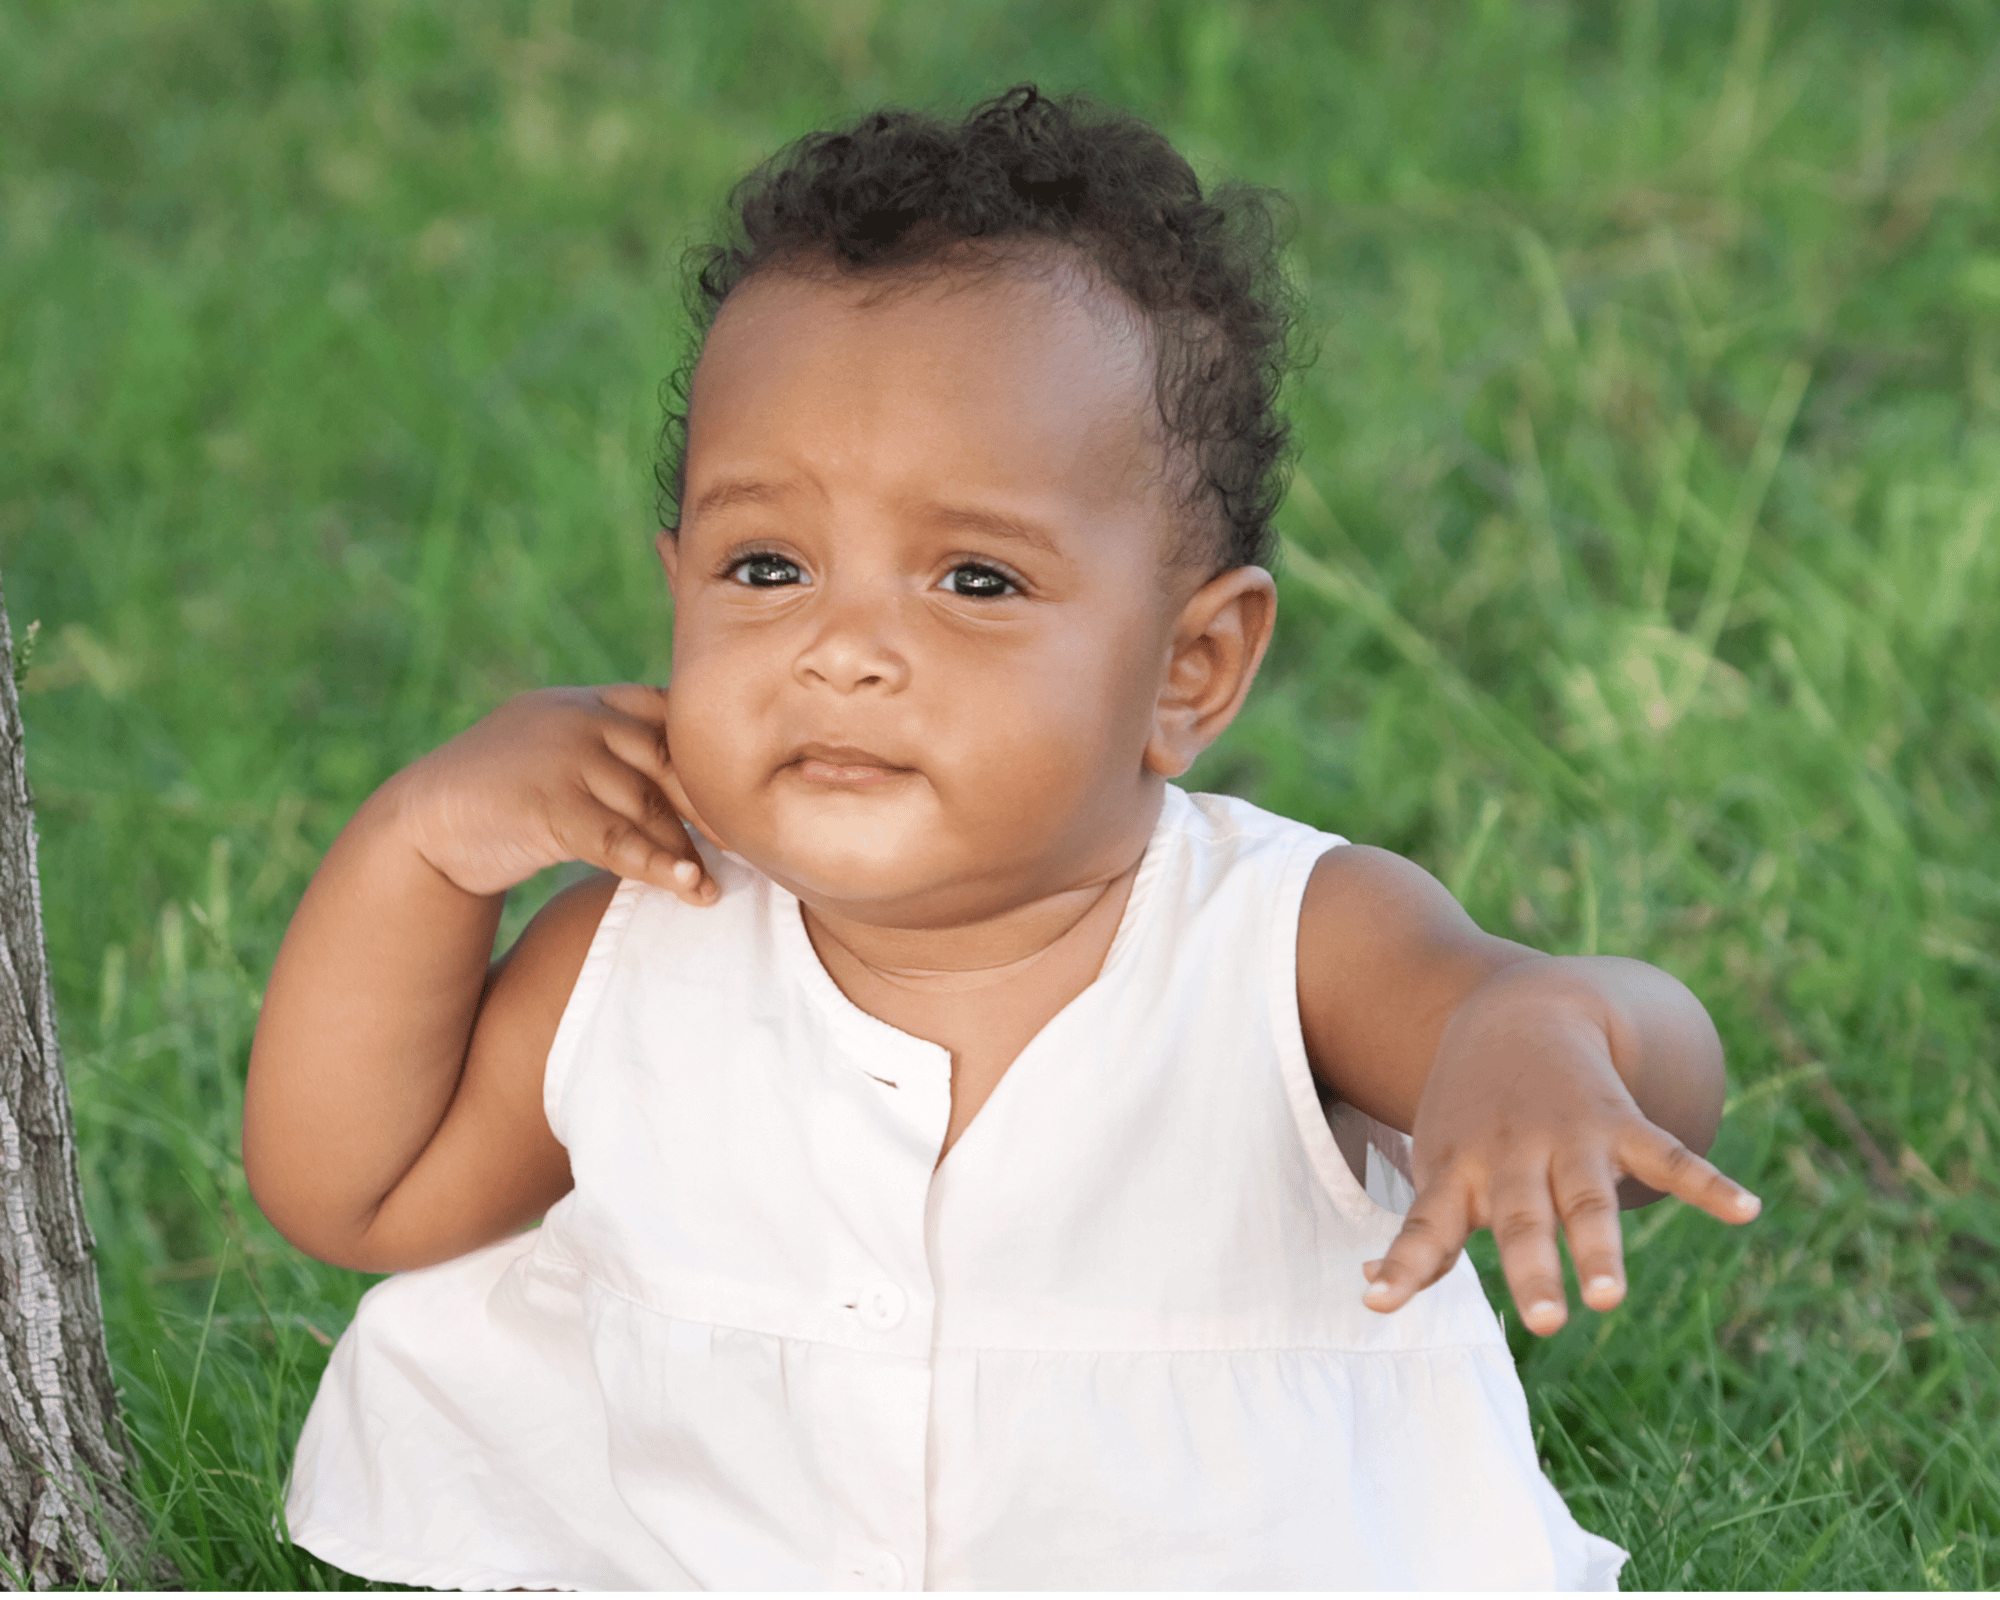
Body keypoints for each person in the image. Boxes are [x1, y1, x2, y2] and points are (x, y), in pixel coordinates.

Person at [244, 86, 1760, 1591]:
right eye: (765, 565)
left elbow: (1638, 1087)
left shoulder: (1281, 944)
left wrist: (1549, 1030)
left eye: (973, 581)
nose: (842, 650)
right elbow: (358, 1196)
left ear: (1191, 669)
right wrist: (421, 848)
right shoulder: (644, 940)